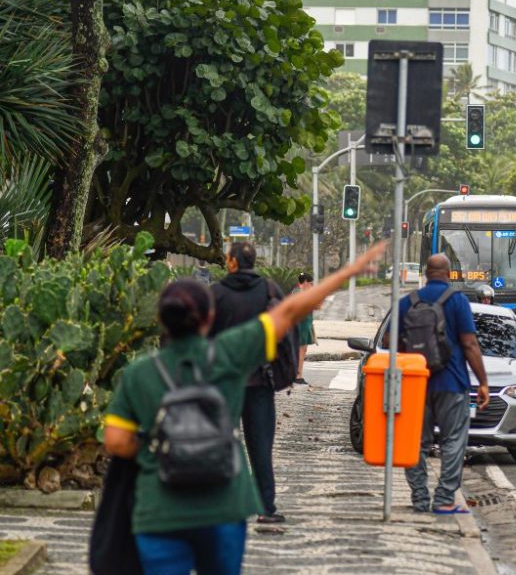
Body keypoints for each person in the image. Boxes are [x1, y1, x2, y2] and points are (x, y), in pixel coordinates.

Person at [102, 242, 386, 574]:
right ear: (207, 318)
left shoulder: (139, 374)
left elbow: (116, 442)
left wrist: (160, 442)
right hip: (223, 504)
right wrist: (348, 272)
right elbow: (291, 311)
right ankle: (268, 506)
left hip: (159, 508)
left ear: (160, 320)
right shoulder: (228, 355)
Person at [398, 254, 489, 515]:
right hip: (452, 382)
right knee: (453, 441)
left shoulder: (408, 302)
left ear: (426, 273)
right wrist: (482, 382)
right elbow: (470, 344)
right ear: (449, 274)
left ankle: (419, 498)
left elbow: (392, 342)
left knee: (416, 443)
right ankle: (444, 500)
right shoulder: (457, 302)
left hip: (416, 384)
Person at [208, 243, 287, 524]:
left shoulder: (216, 294)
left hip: (223, 383)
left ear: (231, 262)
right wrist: (283, 374)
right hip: (260, 383)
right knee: (261, 448)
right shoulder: (269, 290)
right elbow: (286, 332)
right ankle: (266, 508)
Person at [292, 273, 315, 386]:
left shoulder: (300, 292)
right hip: (300, 325)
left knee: (303, 349)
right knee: (300, 350)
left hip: (305, 324)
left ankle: (297, 374)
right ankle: (298, 376)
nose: (312, 285)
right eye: (311, 283)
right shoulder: (298, 293)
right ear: (305, 282)